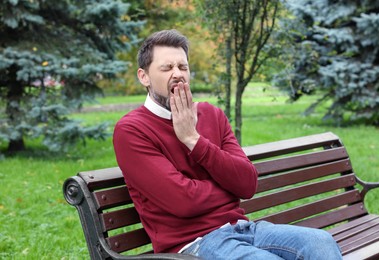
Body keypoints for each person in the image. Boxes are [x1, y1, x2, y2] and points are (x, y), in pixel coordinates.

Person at [113, 29, 342, 260]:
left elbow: (247, 183)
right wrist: (228, 188)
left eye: (183, 67)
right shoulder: (132, 130)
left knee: (320, 242)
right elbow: (185, 202)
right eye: (166, 68)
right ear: (144, 76)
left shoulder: (211, 114)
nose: (178, 74)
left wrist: (193, 139)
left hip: (243, 229)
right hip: (194, 245)